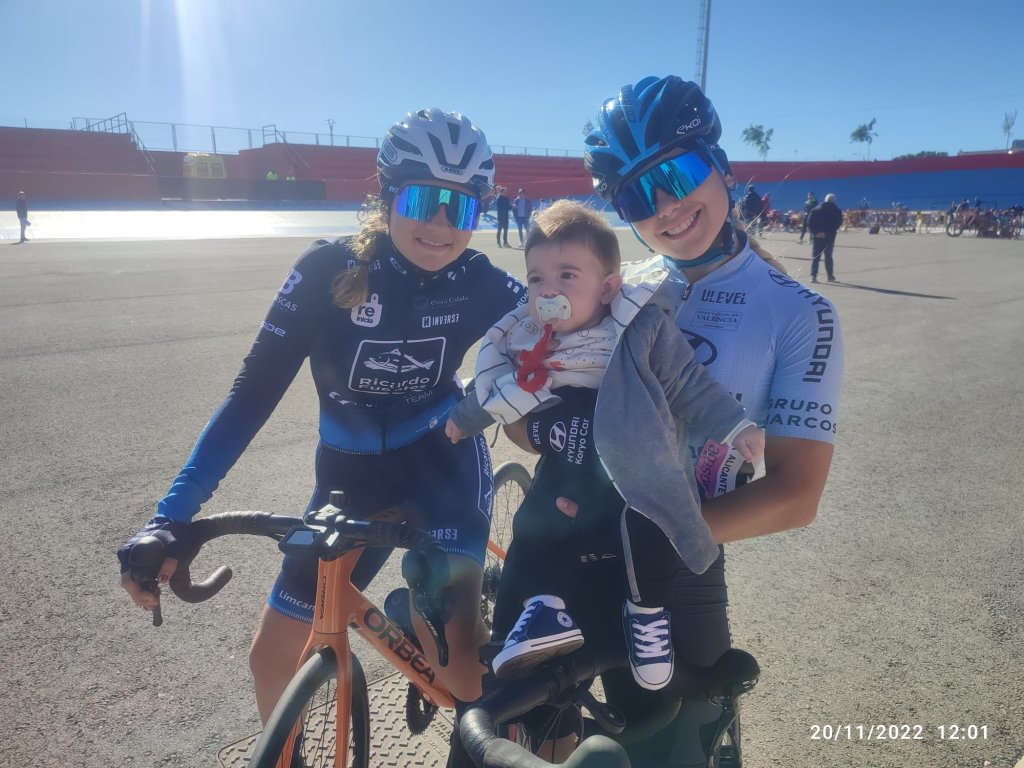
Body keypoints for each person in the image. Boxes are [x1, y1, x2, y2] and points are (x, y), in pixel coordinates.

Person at [117, 108, 527, 724]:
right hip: (349, 477)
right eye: (423, 200)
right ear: (388, 196)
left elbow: (570, 321)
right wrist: (170, 516)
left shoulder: (481, 281)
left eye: (462, 207)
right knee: (271, 659)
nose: (441, 224)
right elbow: (251, 395)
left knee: (459, 671)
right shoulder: (327, 270)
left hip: (441, 463)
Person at [492, 75, 844, 762]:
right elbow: (525, 413)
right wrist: (544, 430)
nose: (666, 207)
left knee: (666, 754)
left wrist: (652, 541)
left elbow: (797, 496)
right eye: (636, 195)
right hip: (565, 552)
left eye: (676, 174)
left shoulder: (800, 313)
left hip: (672, 580)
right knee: (533, 745)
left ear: (719, 163)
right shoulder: (619, 286)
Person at [445, 200, 764, 690]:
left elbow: (686, 382)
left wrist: (735, 427)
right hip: (570, 467)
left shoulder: (638, 328)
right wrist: (461, 422)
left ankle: (647, 615)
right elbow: (498, 389)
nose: (548, 290)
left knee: (648, 527)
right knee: (535, 524)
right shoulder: (532, 340)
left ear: (608, 287)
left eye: (567, 276)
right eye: (536, 279)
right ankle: (544, 608)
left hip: (637, 466)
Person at [807, 192, 843, 283]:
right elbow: (838, 223)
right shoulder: (836, 210)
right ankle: (830, 276)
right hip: (829, 236)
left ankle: (813, 276)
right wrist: (827, 232)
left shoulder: (816, 209)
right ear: (833, 200)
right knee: (828, 257)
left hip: (817, 236)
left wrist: (816, 232)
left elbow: (810, 222)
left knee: (816, 256)